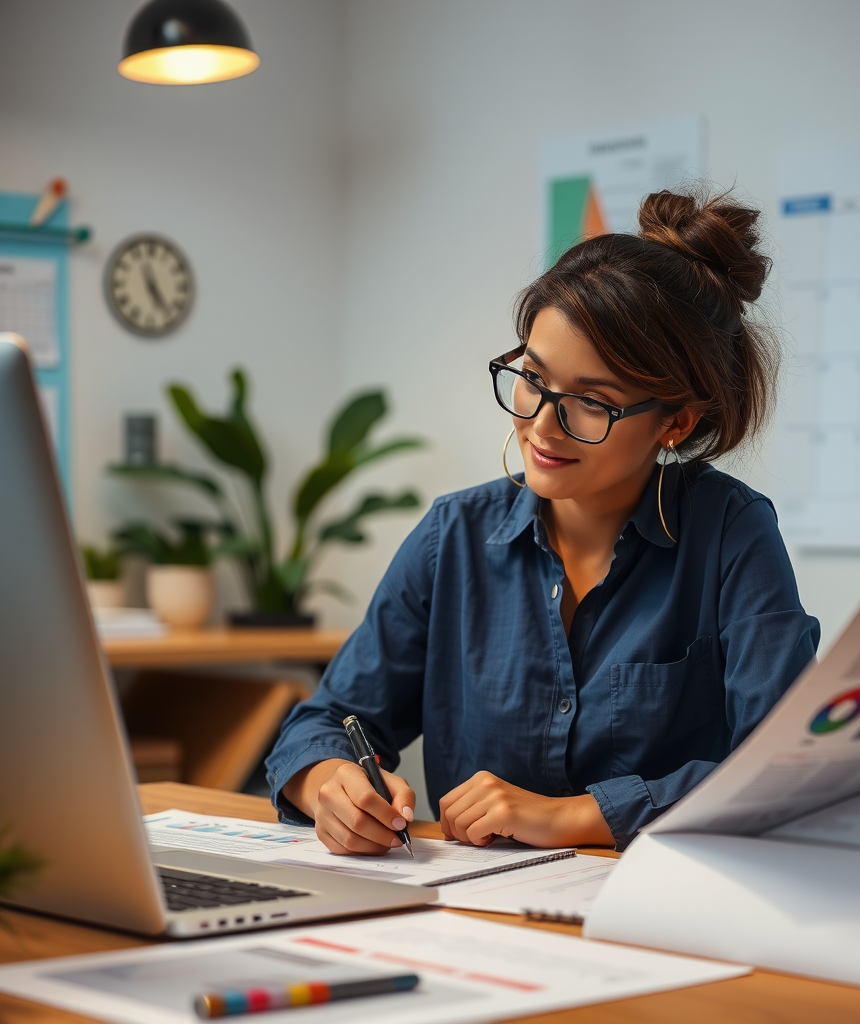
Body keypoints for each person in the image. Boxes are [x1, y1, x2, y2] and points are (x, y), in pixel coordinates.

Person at [267, 186, 820, 854]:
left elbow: (778, 774)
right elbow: (324, 723)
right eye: (533, 377)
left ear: (675, 422)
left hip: (659, 917)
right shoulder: (455, 537)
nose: (541, 423)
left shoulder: (731, 534)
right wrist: (330, 785)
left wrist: (571, 816)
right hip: (470, 920)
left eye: (592, 403)